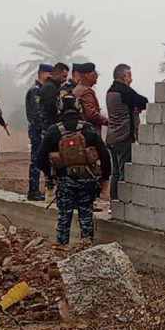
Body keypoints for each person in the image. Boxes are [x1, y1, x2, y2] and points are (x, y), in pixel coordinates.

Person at [37, 94, 111, 245]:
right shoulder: (89, 129)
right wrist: (104, 177)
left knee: (64, 217)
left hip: (64, 180)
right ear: (78, 107)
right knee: (86, 215)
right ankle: (87, 246)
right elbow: (104, 155)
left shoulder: (53, 131)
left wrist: (51, 176)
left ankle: (61, 247)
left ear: (60, 108)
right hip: (87, 180)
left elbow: (40, 159)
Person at [105, 63, 148, 201]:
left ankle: (113, 201)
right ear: (125, 76)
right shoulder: (124, 91)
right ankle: (123, 201)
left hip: (112, 137)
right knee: (124, 173)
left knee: (115, 173)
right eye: (130, 75)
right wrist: (136, 106)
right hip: (123, 137)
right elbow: (143, 101)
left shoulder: (110, 91)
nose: (131, 79)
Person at [73, 62, 111, 209]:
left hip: (80, 134)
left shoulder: (78, 89)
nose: (96, 77)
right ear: (86, 76)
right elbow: (90, 114)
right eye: (94, 75)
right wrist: (107, 121)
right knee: (91, 167)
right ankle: (87, 201)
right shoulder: (86, 92)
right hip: (89, 135)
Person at [25, 64, 52, 201]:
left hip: (41, 129)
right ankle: (33, 190)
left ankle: (39, 190)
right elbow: (36, 114)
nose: (50, 77)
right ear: (41, 74)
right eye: (48, 74)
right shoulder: (36, 91)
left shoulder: (43, 90)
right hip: (37, 130)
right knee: (36, 159)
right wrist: (43, 128)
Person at [40, 62, 70, 130]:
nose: (65, 79)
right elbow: (52, 107)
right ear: (56, 74)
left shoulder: (54, 87)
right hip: (50, 126)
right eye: (64, 76)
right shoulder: (49, 87)